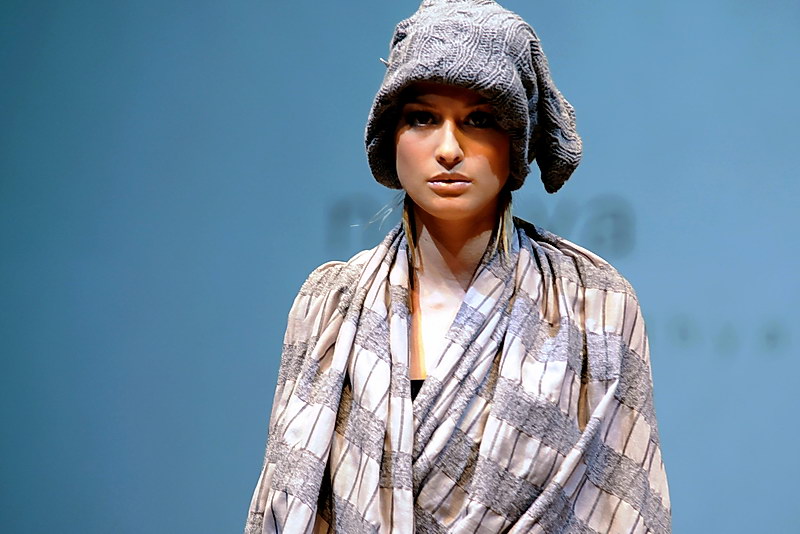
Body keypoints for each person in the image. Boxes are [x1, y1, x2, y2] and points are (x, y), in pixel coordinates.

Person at [245, 1, 671, 532]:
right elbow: (287, 498)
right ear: (390, 137)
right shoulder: (329, 306)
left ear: (515, 141)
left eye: (480, 120)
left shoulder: (594, 305)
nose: (448, 149)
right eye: (422, 118)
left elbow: (624, 508)